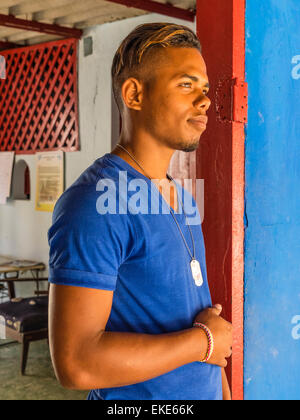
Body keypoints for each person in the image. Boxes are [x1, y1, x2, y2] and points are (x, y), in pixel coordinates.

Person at [48, 22, 233, 401]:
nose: (204, 101)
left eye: (204, 89)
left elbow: (208, 338)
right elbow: (76, 363)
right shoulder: (94, 203)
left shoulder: (182, 198)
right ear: (134, 93)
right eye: (186, 85)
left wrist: (211, 351)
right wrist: (205, 340)